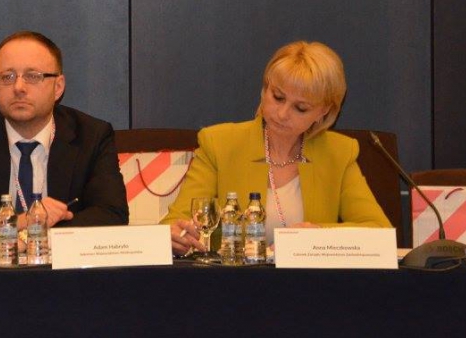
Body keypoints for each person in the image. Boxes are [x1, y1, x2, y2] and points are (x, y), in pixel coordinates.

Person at [164, 40, 390, 255]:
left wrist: (319, 234)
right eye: (278, 97)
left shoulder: (339, 153)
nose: (282, 114)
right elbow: (174, 224)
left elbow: (379, 231)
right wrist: (175, 237)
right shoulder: (219, 143)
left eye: (300, 108)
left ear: (324, 111)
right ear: (265, 89)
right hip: (234, 279)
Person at [0, 31, 128, 257]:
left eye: (33, 76)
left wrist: (28, 238)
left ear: (58, 87)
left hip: (64, 275)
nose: (18, 87)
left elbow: (111, 216)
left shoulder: (91, 136)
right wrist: (17, 222)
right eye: (7, 77)